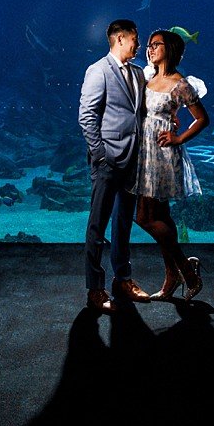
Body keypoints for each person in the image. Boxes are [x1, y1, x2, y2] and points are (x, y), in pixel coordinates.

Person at [77, 18, 152, 314]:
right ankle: (95, 288)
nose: (139, 44)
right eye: (135, 38)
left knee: (123, 223)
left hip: (134, 159)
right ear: (120, 39)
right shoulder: (97, 71)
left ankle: (123, 279)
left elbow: (141, 112)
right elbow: (87, 116)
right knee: (98, 225)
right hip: (108, 160)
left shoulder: (137, 73)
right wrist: (100, 154)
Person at [134, 29, 211, 300]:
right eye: (149, 45)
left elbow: (202, 118)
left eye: (157, 45)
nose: (150, 49)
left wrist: (178, 138)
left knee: (144, 217)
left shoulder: (180, 84)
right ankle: (173, 277)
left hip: (162, 156)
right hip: (144, 153)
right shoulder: (148, 77)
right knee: (162, 217)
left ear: (171, 48)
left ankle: (186, 272)